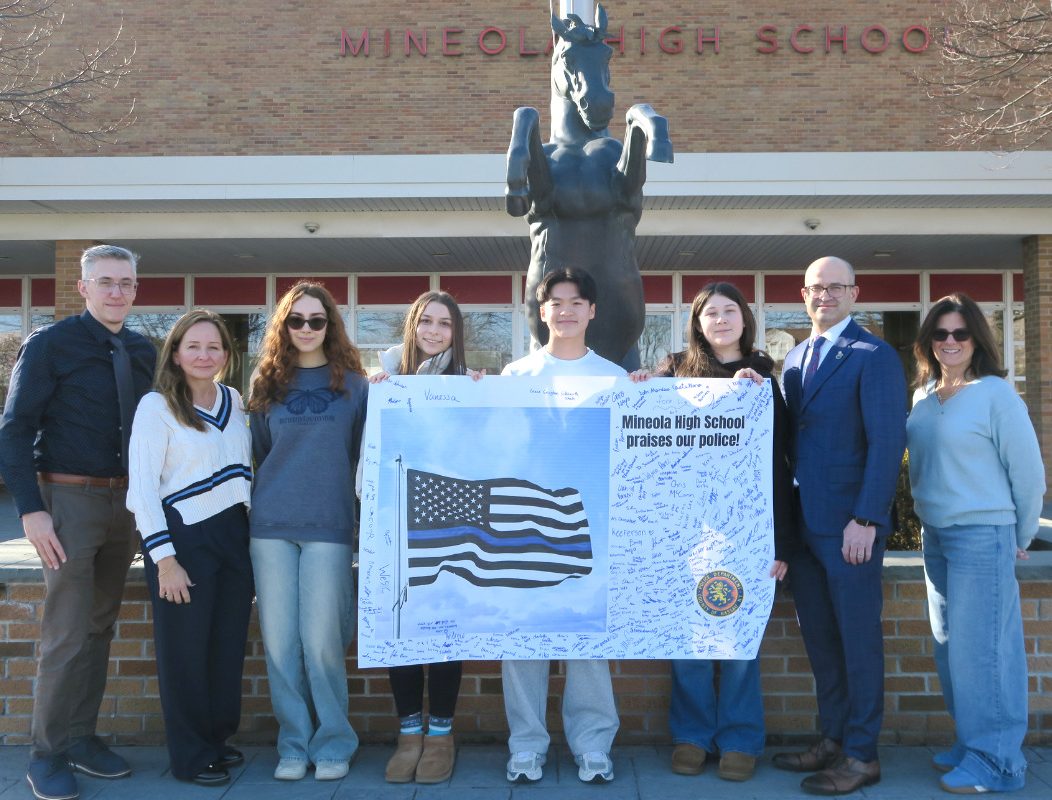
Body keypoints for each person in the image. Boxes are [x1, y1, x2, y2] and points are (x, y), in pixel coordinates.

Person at [0, 245, 156, 800]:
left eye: (126, 283)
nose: (117, 291)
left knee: (98, 626)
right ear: (83, 287)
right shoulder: (49, 345)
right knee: (65, 632)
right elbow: (15, 430)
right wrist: (31, 510)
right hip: (67, 502)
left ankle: (82, 738)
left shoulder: (142, 350)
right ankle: (46, 754)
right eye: (106, 281)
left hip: (123, 505)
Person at [772, 256, 906, 795]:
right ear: (803, 295)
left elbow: (886, 442)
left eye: (835, 287)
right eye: (815, 288)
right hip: (803, 527)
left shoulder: (874, 355)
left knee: (857, 641)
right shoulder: (795, 357)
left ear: (854, 293)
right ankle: (832, 739)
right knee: (822, 643)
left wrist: (866, 517)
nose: (824, 296)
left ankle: (861, 755)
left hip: (850, 526)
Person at [907, 293, 1044, 794]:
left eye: (960, 333)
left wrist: (1020, 535)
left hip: (983, 535)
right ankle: (972, 743)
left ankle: (999, 762)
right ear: (928, 341)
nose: (950, 341)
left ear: (977, 339)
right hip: (936, 534)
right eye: (940, 333)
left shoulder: (996, 394)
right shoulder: (924, 395)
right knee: (950, 648)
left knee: (985, 651)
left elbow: (1028, 473)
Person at [657, 283, 794, 782]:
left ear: (744, 319)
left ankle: (740, 738)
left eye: (729, 310)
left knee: (738, 637)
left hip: (746, 536)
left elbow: (778, 467)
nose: (720, 319)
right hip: (684, 534)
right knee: (688, 639)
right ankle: (691, 735)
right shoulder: (672, 374)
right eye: (710, 312)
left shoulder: (763, 382)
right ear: (697, 323)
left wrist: (783, 542)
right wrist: (638, 385)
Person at [500, 267, 628, 785]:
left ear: (592, 311)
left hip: (592, 526)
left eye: (577, 302)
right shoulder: (515, 376)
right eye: (556, 301)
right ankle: (526, 746)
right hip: (523, 526)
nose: (567, 310)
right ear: (542, 310)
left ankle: (593, 745)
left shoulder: (615, 378)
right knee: (521, 642)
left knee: (587, 641)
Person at [125, 310, 253, 787]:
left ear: (226, 354)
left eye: (213, 347)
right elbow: (142, 490)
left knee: (225, 646)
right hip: (183, 539)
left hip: (234, 536)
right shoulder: (156, 406)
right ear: (175, 354)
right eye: (193, 346)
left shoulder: (233, 399)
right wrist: (165, 561)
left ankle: (216, 739)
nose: (204, 355)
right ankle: (191, 755)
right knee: (185, 651)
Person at [248, 282, 368, 782]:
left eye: (316, 320)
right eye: (295, 319)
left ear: (330, 325)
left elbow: (366, 453)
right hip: (270, 526)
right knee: (280, 645)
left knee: (322, 641)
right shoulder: (265, 383)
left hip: (330, 525)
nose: (306, 328)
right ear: (283, 325)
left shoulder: (356, 386)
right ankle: (294, 744)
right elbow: (259, 453)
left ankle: (335, 741)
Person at [368, 290, 482, 785]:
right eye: (427, 321)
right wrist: (374, 394)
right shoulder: (383, 380)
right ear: (412, 326)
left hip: (449, 520)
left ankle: (440, 735)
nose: (435, 331)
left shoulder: (469, 382)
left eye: (445, 324)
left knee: (445, 630)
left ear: (456, 332)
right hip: (395, 520)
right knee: (402, 631)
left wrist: (482, 398)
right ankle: (409, 734)